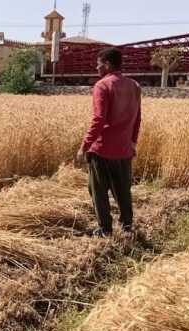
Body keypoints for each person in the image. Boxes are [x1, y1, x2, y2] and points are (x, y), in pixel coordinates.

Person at [76, 48, 142, 237]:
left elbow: (99, 120)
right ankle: (127, 226)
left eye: (98, 64)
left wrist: (84, 146)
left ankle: (105, 228)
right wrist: (132, 143)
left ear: (107, 64)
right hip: (124, 149)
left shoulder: (102, 86)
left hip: (102, 149)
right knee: (123, 190)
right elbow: (138, 118)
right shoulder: (134, 86)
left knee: (97, 190)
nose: (96, 68)